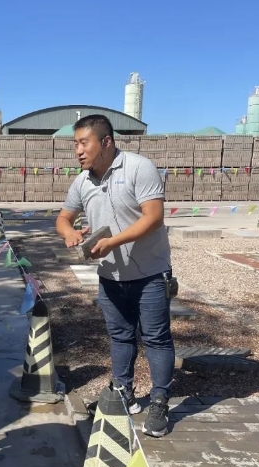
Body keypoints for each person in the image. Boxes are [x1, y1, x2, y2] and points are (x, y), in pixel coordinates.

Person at [55, 115, 175, 438]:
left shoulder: (139, 168)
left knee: (156, 338)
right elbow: (63, 217)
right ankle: (124, 393)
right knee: (120, 336)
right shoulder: (82, 181)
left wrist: (113, 242)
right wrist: (69, 233)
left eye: (84, 143)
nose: (78, 151)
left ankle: (160, 401)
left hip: (150, 273)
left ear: (106, 141)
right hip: (110, 276)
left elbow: (154, 217)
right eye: (75, 144)